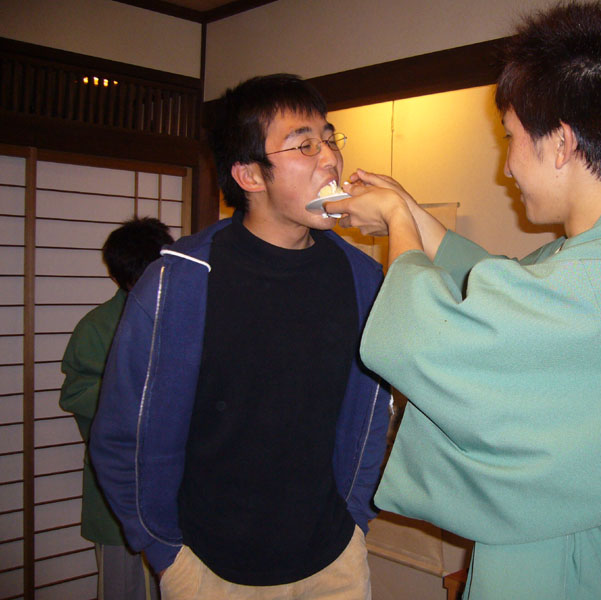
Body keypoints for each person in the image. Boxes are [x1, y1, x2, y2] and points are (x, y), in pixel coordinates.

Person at [326, 2, 601, 598]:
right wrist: (408, 211)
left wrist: (398, 228)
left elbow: (429, 338)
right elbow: (506, 290)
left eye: (510, 138)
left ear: (561, 143)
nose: (507, 166)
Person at [89, 74, 391, 600]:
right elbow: (122, 434)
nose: (330, 158)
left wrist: (355, 520)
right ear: (250, 174)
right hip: (208, 569)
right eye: (304, 144)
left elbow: (371, 412)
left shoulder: (362, 279)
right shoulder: (179, 282)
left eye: (329, 137)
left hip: (334, 560)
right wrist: (165, 552)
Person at [60, 216, 174, 600]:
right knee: (123, 588)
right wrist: (139, 398)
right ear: (118, 277)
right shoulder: (96, 327)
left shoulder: (183, 314)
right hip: (120, 479)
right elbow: (78, 393)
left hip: (176, 482)